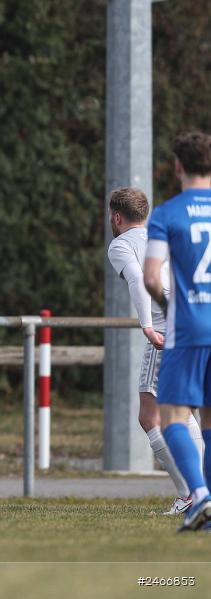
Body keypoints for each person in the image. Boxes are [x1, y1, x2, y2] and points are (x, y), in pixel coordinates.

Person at [107, 186, 203, 515]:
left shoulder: (120, 244)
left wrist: (147, 325)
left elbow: (137, 279)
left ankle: (190, 492)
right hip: (192, 324)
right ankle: (201, 489)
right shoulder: (162, 237)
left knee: (149, 417)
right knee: (187, 411)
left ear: (116, 217)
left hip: (165, 329)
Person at [144, 131, 211, 532]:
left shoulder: (167, 214)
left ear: (178, 167)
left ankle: (200, 495)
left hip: (189, 329)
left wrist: (170, 307)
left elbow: (153, 276)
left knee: (171, 415)